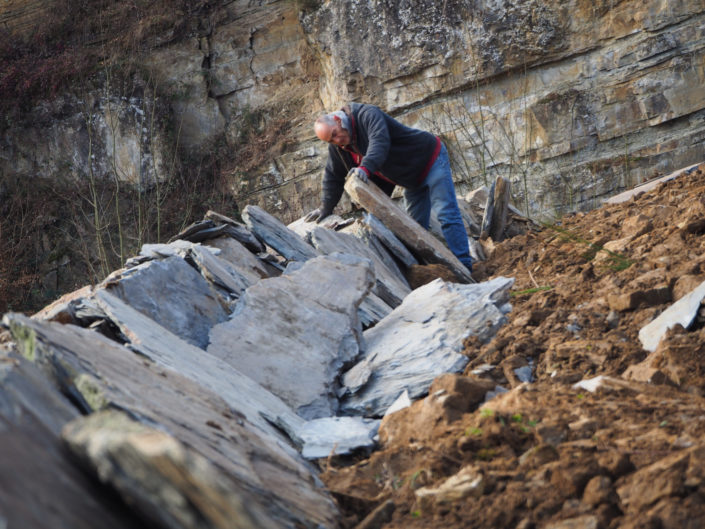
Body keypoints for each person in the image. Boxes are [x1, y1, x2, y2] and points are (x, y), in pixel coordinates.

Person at [305, 102, 474, 272]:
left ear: (337, 120)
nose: (337, 141)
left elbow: (379, 142)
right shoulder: (340, 146)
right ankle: (426, 271)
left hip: (430, 160)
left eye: (335, 134)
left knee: (446, 213)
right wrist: (325, 208)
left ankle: (465, 267)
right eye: (331, 140)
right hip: (410, 179)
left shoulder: (367, 114)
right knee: (414, 228)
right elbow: (333, 176)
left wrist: (365, 167)